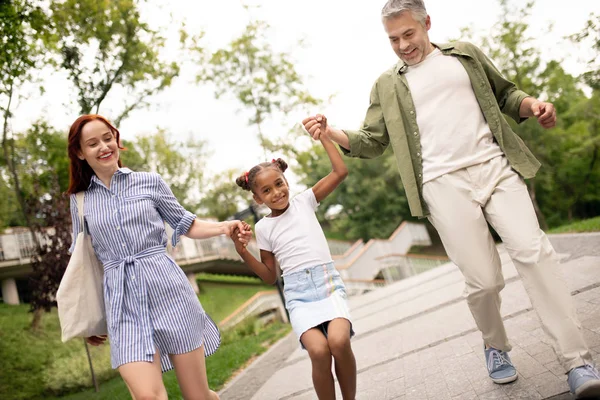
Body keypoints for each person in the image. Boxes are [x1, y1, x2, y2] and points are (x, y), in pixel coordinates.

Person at [302, 0, 600, 398]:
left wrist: (534, 106)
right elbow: (372, 142)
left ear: (427, 23)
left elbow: (508, 95)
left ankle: (576, 360)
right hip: (442, 185)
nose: (403, 45)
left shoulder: (465, 55)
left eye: (409, 34)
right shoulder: (387, 85)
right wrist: (330, 131)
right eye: (394, 39)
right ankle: (495, 345)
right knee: (483, 280)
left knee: (534, 252)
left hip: (494, 167)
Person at [66, 114, 251, 400]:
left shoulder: (149, 182)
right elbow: (85, 262)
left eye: (107, 138)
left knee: (198, 396)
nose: (103, 147)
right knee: (148, 396)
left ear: (116, 139)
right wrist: (92, 318)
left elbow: (185, 223)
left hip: (169, 292)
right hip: (123, 304)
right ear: (80, 152)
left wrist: (223, 227)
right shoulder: (79, 201)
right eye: (92, 143)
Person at [231, 132, 356, 400]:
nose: (277, 192)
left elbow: (340, 170)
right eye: (267, 190)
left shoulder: (305, 201)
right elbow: (268, 275)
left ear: (286, 180)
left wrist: (324, 136)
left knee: (338, 341)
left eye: (279, 184)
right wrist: (243, 251)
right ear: (257, 199)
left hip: (327, 284)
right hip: (299, 296)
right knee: (319, 352)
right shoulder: (263, 228)